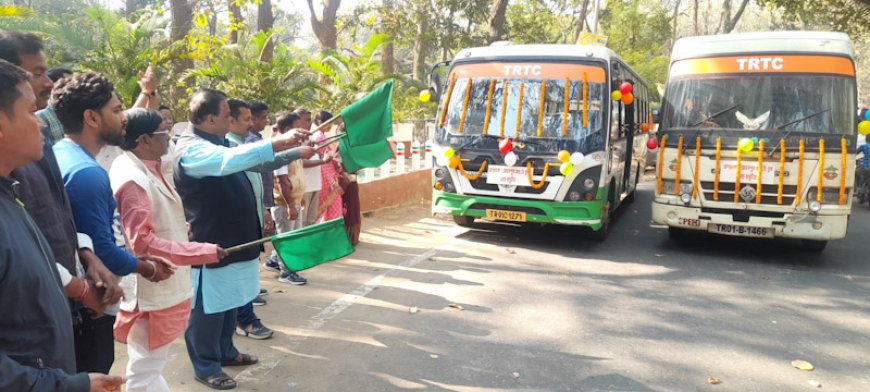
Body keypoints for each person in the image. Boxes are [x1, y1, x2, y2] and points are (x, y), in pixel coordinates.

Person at [0, 29, 125, 373]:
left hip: (65, 309)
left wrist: (86, 254)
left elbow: (55, 212)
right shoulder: (15, 148)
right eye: (36, 73)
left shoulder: (39, 138)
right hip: (36, 327)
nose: (47, 83)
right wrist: (81, 289)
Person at [174, 89, 313, 390]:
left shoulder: (221, 142)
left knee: (230, 301)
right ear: (209, 118)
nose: (239, 122)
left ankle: (226, 352)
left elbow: (255, 163)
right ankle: (206, 365)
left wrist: (292, 152)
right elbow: (229, 160)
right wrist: (278, 142)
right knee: (208, 308)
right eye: (227, 115)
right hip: (210, 242)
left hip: (235, 241)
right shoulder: (193, 149)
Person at [52, 72, 176, 374]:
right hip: (90, 309)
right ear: (92, 118)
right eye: (117, 110)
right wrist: (146, 267)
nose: (124, 118)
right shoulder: (86, 173)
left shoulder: (63, 154)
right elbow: (103, 251)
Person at [111, 108, 227, 392]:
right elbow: (144, 244)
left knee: (150, 366)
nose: (169, 141)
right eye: (164, 135)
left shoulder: (146, 166)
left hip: (159, 284)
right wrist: (203, 251)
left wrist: (179, 230)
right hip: (151, 288)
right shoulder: (133, 179)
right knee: (144, 369)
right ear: (145, 140)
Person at [225, 99, 273, 339]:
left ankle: (242, 318)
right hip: (235, 225)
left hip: (250, 218)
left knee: (246, 272)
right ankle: (244, 319)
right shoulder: (231, 149)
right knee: (239, 274)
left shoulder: (241, 143)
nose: (251, 123)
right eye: (247, 119)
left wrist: (263, 209)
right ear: (230, 120)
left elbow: (255, 183)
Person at [270, 112, 308, 284]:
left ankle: (274, 260)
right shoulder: (281, 151)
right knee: (287, 238)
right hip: (284, 203)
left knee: (292, 235)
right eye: (296, 128)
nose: (300, 131)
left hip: (295, 200)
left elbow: (297, 174)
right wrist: (291, 204)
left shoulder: (294, 149)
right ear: (287, 130)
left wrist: (300, 198)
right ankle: (286, 272)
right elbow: (281, 180)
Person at [312, 110, 343, 223]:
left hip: (326, 178)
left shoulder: (321, 137)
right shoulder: (319, 138)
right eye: (329, 122)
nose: (331, 126)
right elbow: (323, 163)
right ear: (320, 122)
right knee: (329, 208)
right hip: (326, 179)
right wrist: (333, 182)